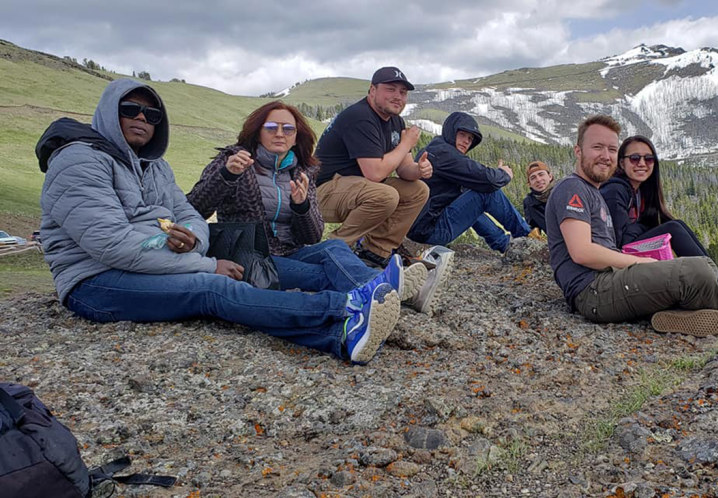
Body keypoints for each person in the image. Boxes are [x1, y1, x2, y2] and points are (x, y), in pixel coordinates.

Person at [36, 78, 400, 365]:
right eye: (130, 110)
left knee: (329, 252)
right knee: (213, 290)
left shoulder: (155, 166)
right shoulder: (79, 160)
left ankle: (347, 330)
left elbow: (188, 215)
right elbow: (113, 244)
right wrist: (206, 260)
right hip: (95, 281)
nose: (142, 119)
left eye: (153, 115)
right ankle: (347, 309)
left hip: (161, 260)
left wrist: (193, 239)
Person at [186, 101, 427, 303]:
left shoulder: (300, 171)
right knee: (322, 274)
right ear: (257, 131)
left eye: (288, 129)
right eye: (271, 127)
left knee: (335, 248)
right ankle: (388, 294)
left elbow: (312, 236)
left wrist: (301, 207)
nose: (279, 133)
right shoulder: (234, 160)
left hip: (290, 251)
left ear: (295, 137)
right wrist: (226, 176)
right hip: (250, 257)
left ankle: (385, 291)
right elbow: (194, 208)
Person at [546, 115, 718, 336]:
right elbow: (582, 252)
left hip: (611, 282)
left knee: (707, 267)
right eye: (597, 147)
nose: (605, 156)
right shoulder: (572, 188)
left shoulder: (594, 193)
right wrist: (641, 262)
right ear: (578, 151)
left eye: (612, 149)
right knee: (697, 271)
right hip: (593, 291)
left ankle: (679, 316)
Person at [599, 135, 718, 325]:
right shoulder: (616, 190)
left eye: (649, 158)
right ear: (622, 162)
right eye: (635, 158)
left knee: (677, 225)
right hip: (615, 260)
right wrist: (648, 226)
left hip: (627, 255)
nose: (642, 163)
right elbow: (620, 240)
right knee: (673, 228)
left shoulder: (639, 191)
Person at [313, 66, 432, 268]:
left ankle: (374, 253)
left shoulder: (395, 121)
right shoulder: (359, 116)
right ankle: (332, 252)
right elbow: (375, 173)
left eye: (402, 93)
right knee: (385, 194)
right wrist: (405, 144)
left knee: (418, 190)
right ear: (372, 90)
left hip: (357, 188)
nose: (398, 97)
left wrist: (419, 170)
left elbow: (404, 169)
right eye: (391, 89)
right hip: (321, 191)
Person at [408, 112, 530, 252]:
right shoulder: (443, 153)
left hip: (422, 228)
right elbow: (488, 179)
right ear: (451, 131)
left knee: (471, 197)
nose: (466, 141)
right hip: (429, 231)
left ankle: (504, 244)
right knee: (487, 194)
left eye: (470, 138)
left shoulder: (437, 149)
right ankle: (526, 237)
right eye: (462, 135)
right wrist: (504, 174)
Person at [523, 161, 553, 234]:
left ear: (550, 176)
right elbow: (532, 229)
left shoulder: (563, 192)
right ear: (529, 184)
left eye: (541, 174)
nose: (538, 180)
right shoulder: (529, 203)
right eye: (533, 178)